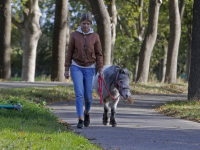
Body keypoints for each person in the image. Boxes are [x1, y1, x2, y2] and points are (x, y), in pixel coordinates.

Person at [64, 13, 104, 128]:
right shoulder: (74, 35)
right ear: (80, 24)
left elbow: (99, 54)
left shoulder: (95, 36)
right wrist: (66, 68)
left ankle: (87, 112)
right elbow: (69, 52)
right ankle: (80, 119)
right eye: (83, 23)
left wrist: (100, 68)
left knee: (88, 96)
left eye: (87, 24)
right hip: (76, 67)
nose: (85, 26)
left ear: (90, 24)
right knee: (79, 94)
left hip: (90, 68)